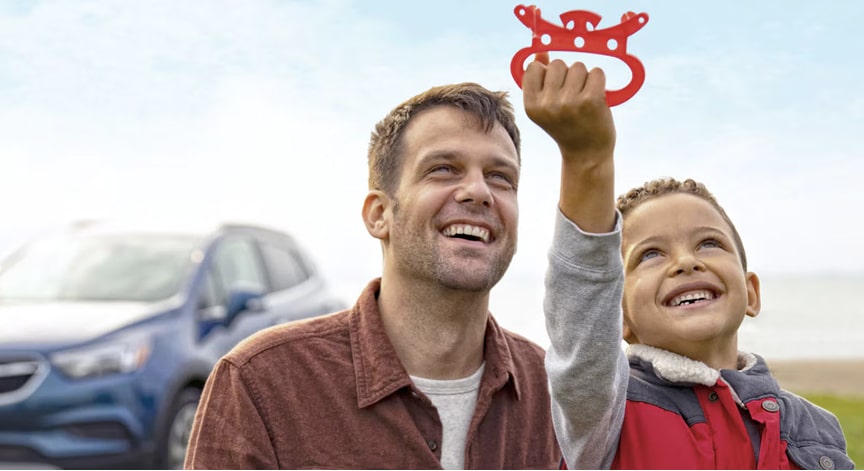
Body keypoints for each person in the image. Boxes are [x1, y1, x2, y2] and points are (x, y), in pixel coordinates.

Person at [184, 56, 627, 469]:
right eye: (443, 169)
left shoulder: (553, 396)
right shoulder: (261, 383)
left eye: (500, 177)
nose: (479, 191)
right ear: (379, 214)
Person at [547, 176, 855, 469]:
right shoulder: (605, 410)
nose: (685, 262)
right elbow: (580, 301)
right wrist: (587, 157)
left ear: (751, 293)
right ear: (618, 317)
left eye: (709, 244)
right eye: (651, 254)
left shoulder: (817, 427)